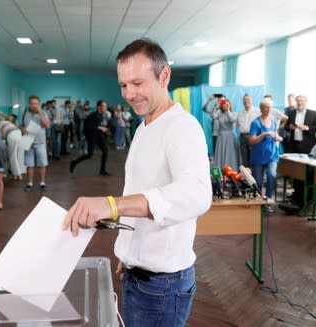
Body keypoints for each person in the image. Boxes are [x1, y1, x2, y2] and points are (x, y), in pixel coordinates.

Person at [63, 38, 211, 327]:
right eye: (123, 85)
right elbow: (143, 191)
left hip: (163, 285)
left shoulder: (182, 127)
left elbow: (197, 194)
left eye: (138, 83)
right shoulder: (145, 126)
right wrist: (130, 250)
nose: (129, 94)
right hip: (139, 271)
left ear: (164, 76)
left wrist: (110, 205)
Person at [279, 95, 316, 214]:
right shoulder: (292, 113)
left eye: (302, 101)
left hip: (308, 148)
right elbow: (287, 127)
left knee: (307, 175)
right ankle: (296, 200)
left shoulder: (313, 113)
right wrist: (290, 127)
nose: (300, 103)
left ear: (306, 102)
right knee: (297, 175)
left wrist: (307, 127)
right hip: (294, 147)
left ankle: (305, 200)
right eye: (298, 101)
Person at [249, 98, 283, 212]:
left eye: (270, 107)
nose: (268, 110)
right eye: (266, 107)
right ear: (261, 109)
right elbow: (251, 141)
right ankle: (259, 202)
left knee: (271, 175)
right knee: (257, 181)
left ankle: (268, 201)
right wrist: (264, 134)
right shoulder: (255, 123)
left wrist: (278, 138)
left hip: (272, 155)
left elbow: (277, 136)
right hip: (258, 156)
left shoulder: (273, 120)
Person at [69, 100, 110, 176]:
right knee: (89, 155)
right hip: (92, 136)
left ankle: (102, 170)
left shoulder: (101, 115)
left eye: (106, 106)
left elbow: (97, 125)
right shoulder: (93, 115)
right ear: (99, 107)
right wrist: (100, 128)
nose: (105, 107)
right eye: (104, 106)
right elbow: (89, 127)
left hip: (98, 136)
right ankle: (74, 163)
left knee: (105, 150)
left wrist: (103, 129)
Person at [20, 95, 51, 191]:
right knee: (29, 164)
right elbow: (20, 124)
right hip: (28, 140)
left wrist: (40, 112)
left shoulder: (43, 113)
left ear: (39, 104)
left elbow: (47, 125)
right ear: (29, 104)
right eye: (32, 103)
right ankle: (29, 183)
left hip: (40, 142)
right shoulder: (25, 112)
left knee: (42, 163)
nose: (34, 105)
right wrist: (23, 129)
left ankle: (42, 183)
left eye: (36, 103)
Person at [0, 115, 23, 181]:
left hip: (11, 135)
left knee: (12, 156)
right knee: (16, 155)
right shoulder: (5, 122)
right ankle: (17, 173)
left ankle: (17, 174)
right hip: (18, 133)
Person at [213, 98, 240, 171]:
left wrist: (228, 110)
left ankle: (232, 171)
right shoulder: (219, 114)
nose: (225, 106)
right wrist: (216, 106)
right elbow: (213, 116)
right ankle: (221, 172)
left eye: (226, 104)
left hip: (231, 137)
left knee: (231, 155)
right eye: (223, 104)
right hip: (222, 137)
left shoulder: (234, 113)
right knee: (221, 155)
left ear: (229, 105)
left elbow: (231, 119)